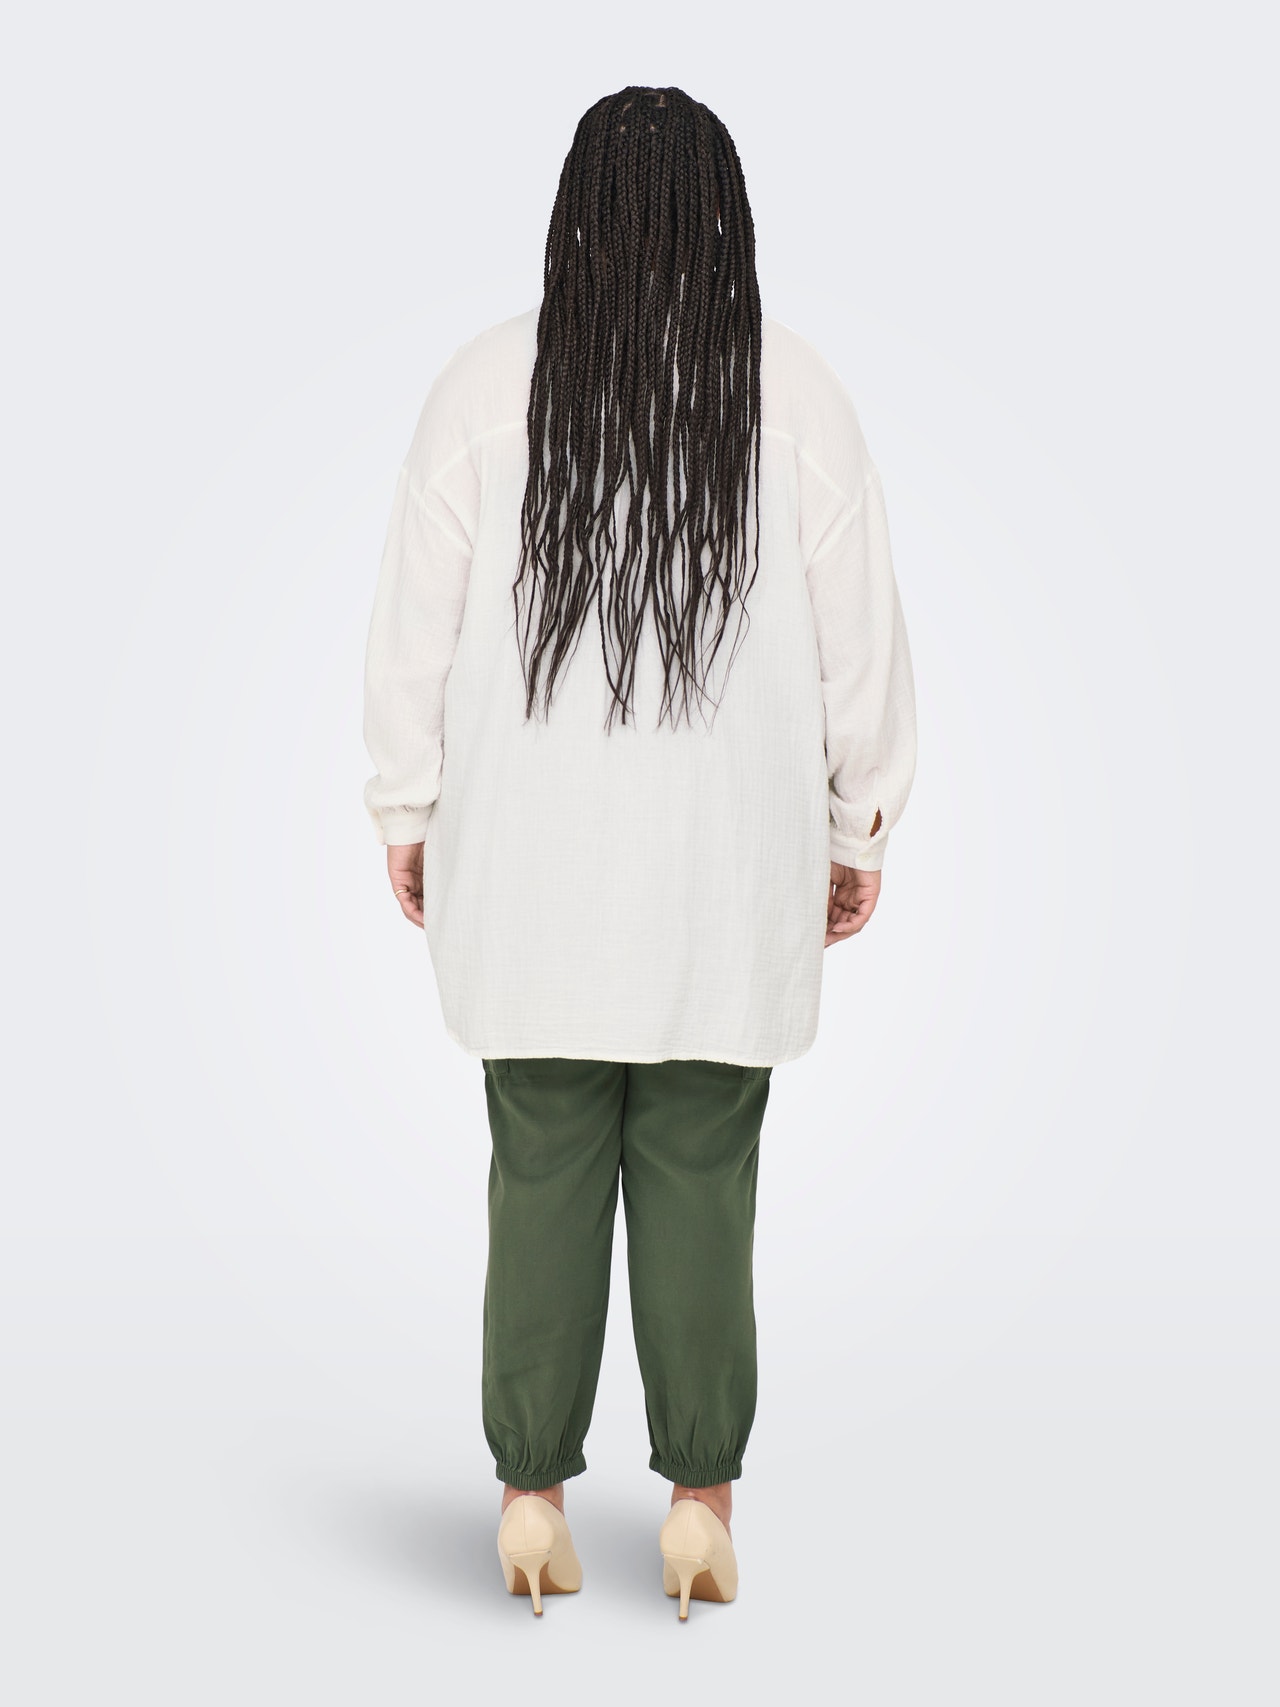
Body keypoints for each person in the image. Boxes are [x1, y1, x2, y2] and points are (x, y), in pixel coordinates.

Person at [361, 85, 918, 1619]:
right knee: (702, 1179)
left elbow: (410, 637)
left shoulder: (485, 386)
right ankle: (697, 1508)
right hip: (724, 883)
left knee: (539, 1170)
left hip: (527, 875)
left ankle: (531, 1503)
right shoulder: (793, 391)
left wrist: (408, 811)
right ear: (724, 217)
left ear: (577, 212)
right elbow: (862, 646)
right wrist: (857, 821)